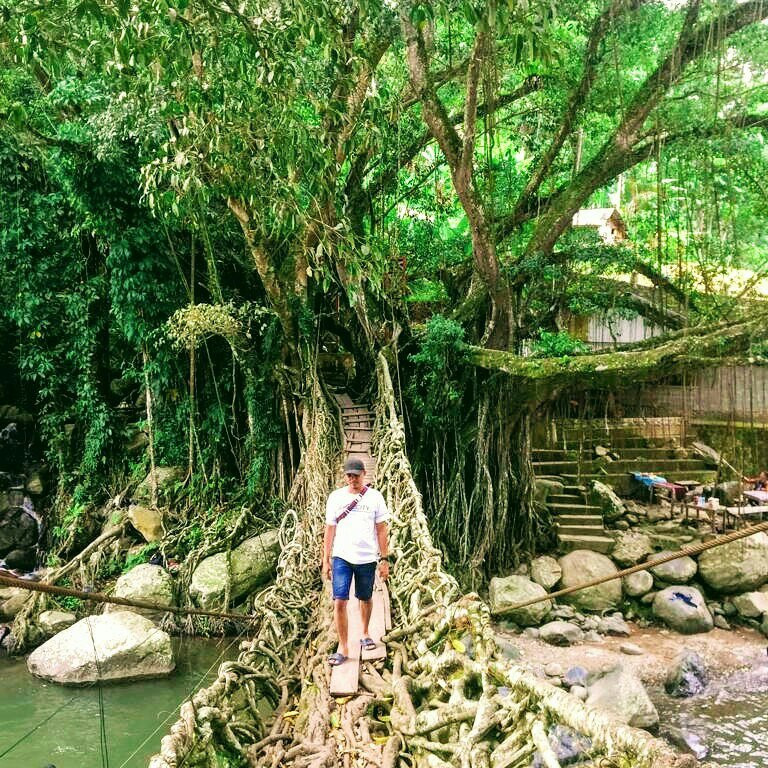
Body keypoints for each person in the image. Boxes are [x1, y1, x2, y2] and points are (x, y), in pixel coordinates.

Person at [322, 458, 390, 667]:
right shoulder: (335, 498)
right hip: (342, 556)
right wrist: (326, 560)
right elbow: (329, 530)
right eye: (349, 475)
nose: (352, 479)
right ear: (345, 476)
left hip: (367, 557)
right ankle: (343, 646)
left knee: (365, 597)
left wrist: (384, 559)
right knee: (339, 600)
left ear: (364, 474)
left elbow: (381, 529)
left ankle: (365, 632)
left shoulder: (375, 497)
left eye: (356, 475)